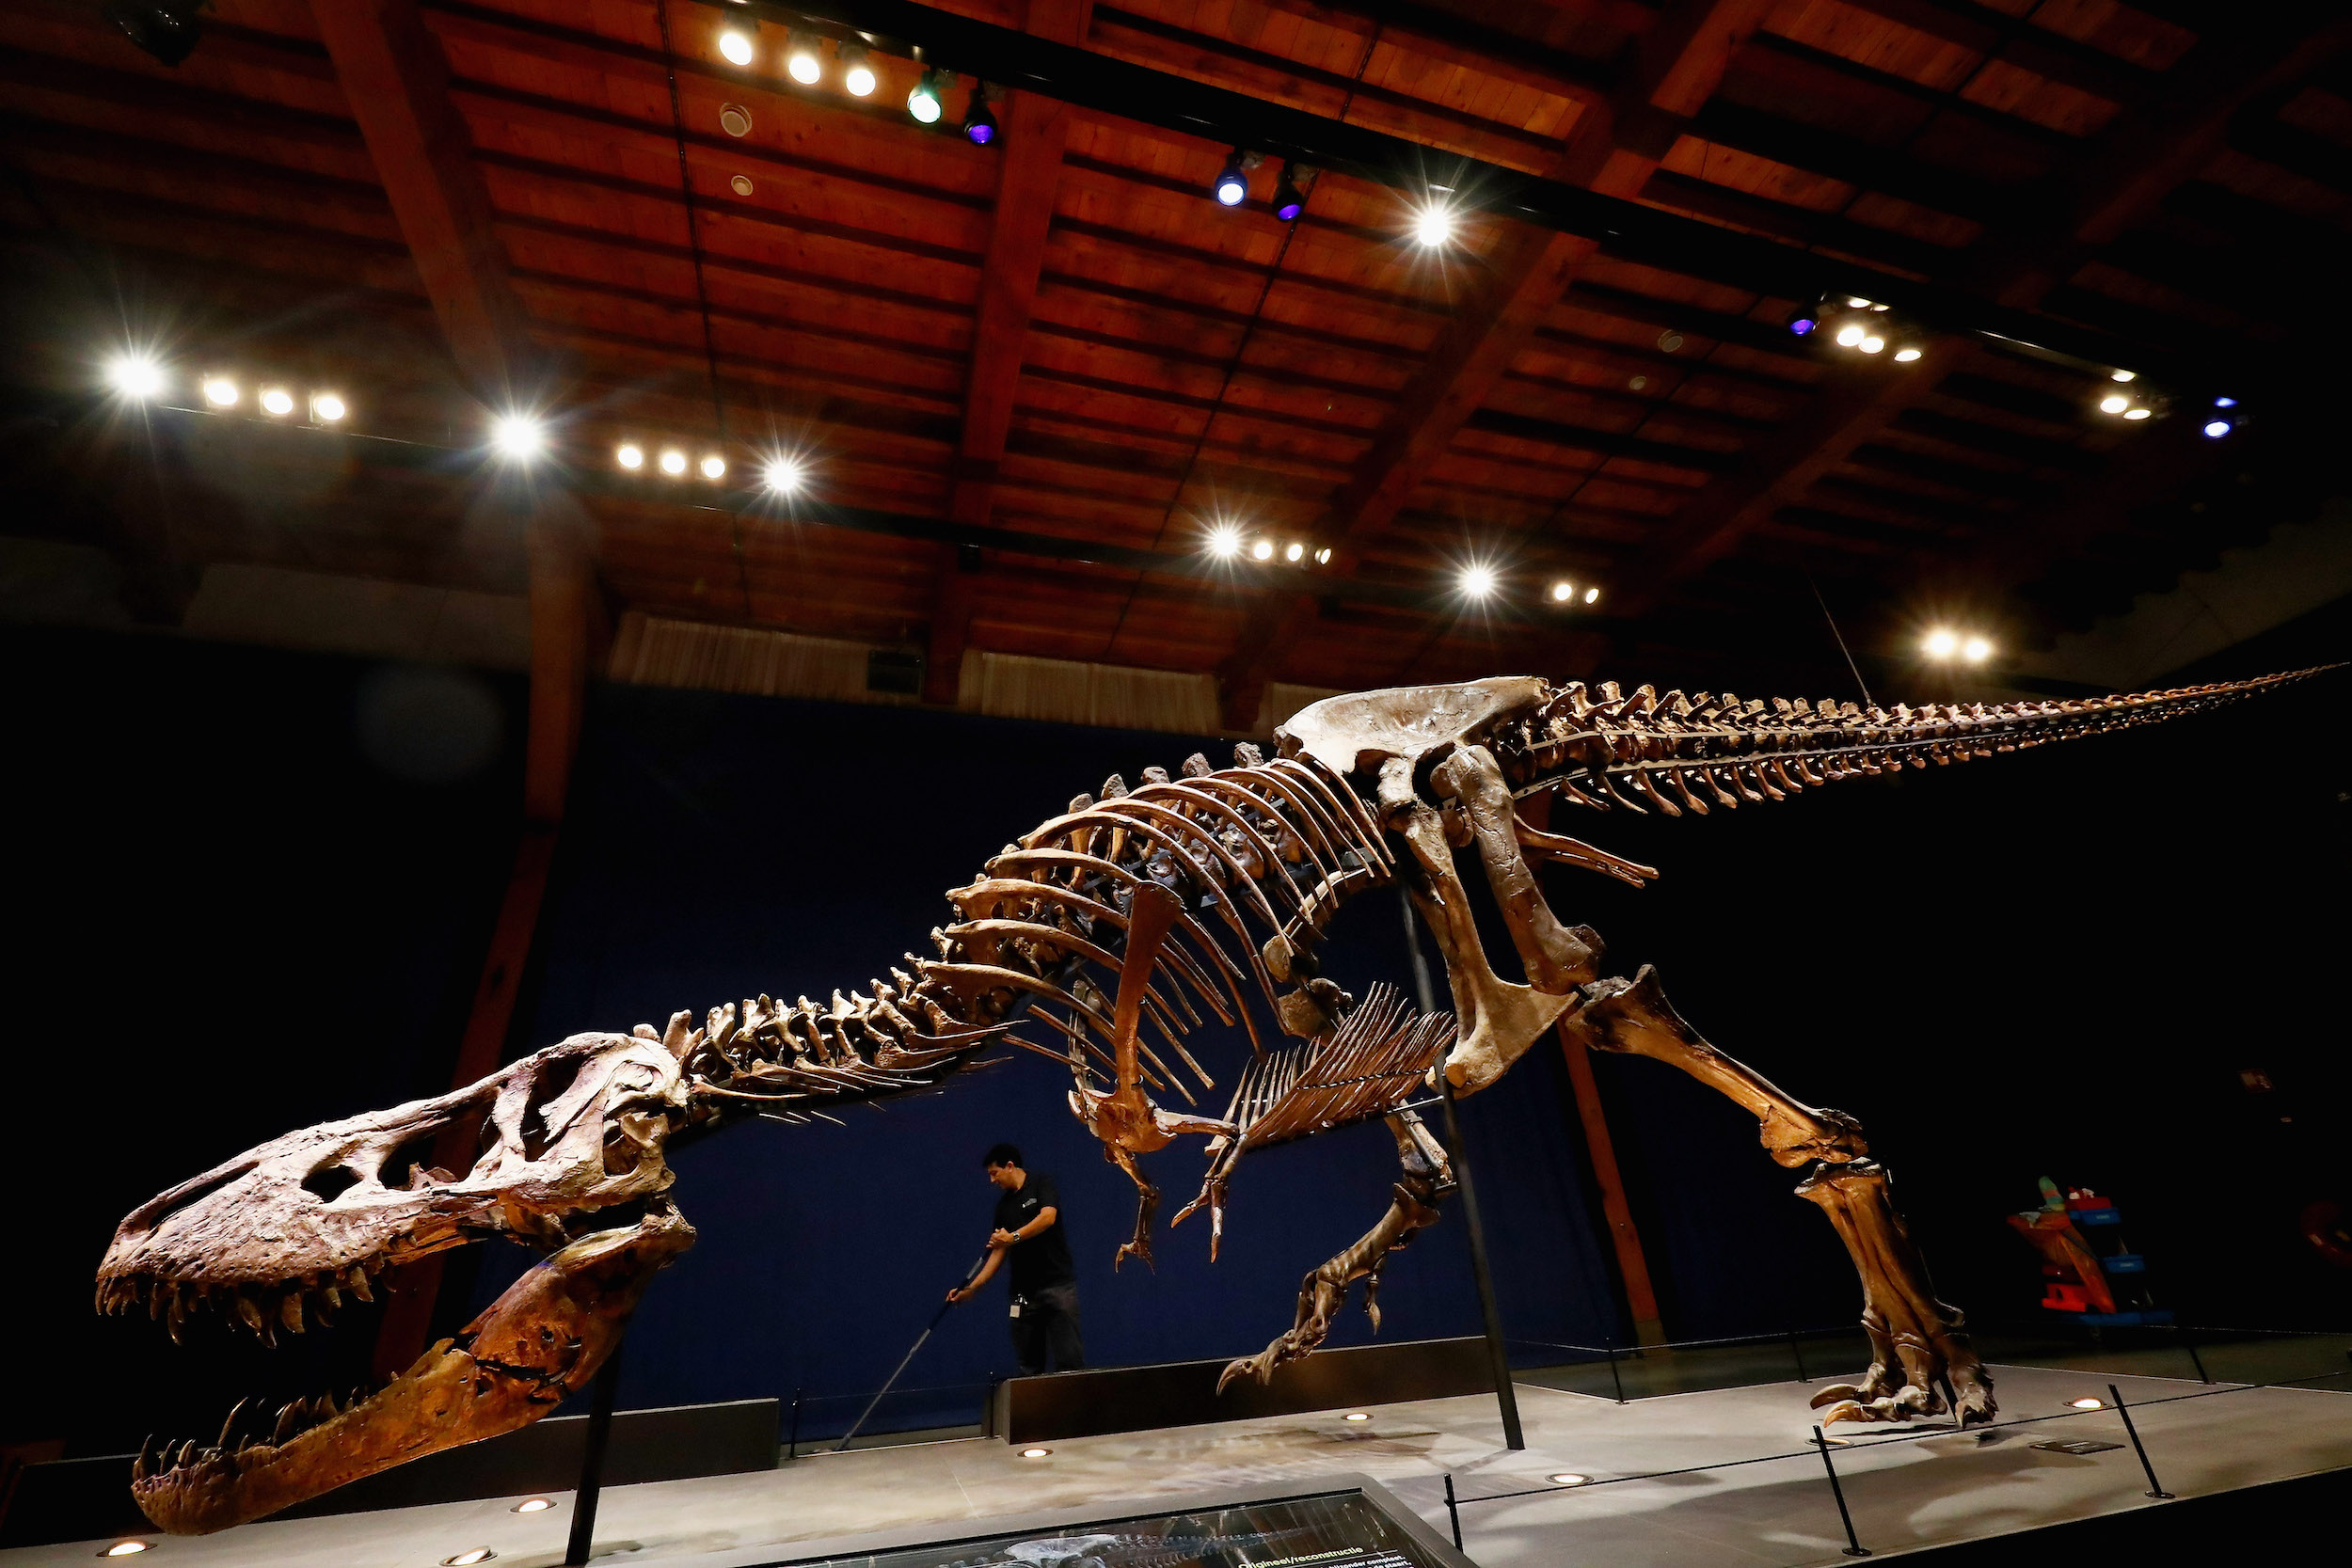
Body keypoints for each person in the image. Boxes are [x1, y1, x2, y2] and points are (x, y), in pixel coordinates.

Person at [946, 1142, 1085, 1375]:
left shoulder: (1042, 1183)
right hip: (1022, 1295)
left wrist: (1013, 1237)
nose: (992, 1181)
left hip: (1058, 1288)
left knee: (1070, 1362)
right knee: (1028, 1367)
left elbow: (1048, 1217)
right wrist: (971, 1288)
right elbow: (998, 1251)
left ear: (1009, 1166)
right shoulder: (1003, 1207)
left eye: (994, 1174)